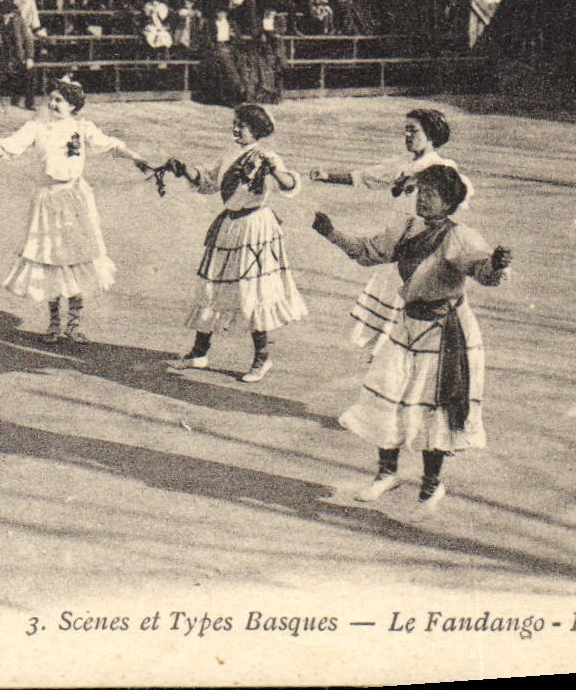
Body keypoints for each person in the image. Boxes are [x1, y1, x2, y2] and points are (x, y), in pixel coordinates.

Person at [312, 165, 511, 516]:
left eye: (431, 194)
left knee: (431, 406)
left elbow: (482, 272)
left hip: (444, 331)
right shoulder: (407, 227)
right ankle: (386, 473)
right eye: (421, 191)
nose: (422, 198)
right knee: (386, 393)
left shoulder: (459, 236)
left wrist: (495, 264)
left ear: (449, 202)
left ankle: (431, 483)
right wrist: (332, 234)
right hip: (407, 325)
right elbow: (368, 252)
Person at [0, 76, 150, 342]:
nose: (52, 104)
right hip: (47, 199)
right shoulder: (37, 127)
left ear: (73, 105)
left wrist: (136, 157)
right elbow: (8, 144)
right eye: (50, 99)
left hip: (75, 199)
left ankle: (73, 325)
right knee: (48, 258)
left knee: (76, 257)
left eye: (59, 100)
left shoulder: (83, 128)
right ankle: (53, 323)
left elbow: (112, 145)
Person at [160, 103, 308, 382]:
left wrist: (275, 169)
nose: (235, 129)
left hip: (255, 228)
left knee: (253, 290)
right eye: (235, 124)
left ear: (257, 129)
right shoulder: (229, 154)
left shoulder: (266, 155)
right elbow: (208, 181)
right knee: (211, 285)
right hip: (229, 227)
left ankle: (262, 358)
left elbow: (289, 185)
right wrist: (184, 170)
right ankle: (199, 352)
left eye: (242, 125)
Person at [309, 109, 465, 354]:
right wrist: (328, 176)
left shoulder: (442, 167)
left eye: (413, 130)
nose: (407, 135)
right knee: (390, 335)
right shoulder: (400, 164)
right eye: (406, 130)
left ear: (431, 134)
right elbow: (367, 176)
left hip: (423, 250)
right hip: (397, 241)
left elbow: (458, 199)